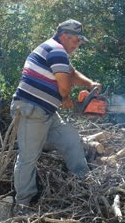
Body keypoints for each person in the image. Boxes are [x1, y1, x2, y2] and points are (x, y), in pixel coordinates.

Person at [10, 19, 100, 206]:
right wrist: (66, 98)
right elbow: (65, 87)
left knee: (69, 137)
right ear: (65, 36)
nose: (78, 45)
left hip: (45, 112)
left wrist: (90, 84)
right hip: (31, 110)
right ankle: (23, 204)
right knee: (28, 157)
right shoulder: (56, 49)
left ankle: (83, 181)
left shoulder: (56, 52)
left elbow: (71, 73)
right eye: (76, 40)